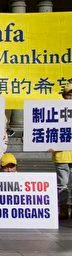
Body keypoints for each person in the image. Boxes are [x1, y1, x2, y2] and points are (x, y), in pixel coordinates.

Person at [51, 81, 72, 220]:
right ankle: (63, 209)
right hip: (61, 155)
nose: (71, 97)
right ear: (64, 96)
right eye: (69, 94)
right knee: (62, 185)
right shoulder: (55, 109)